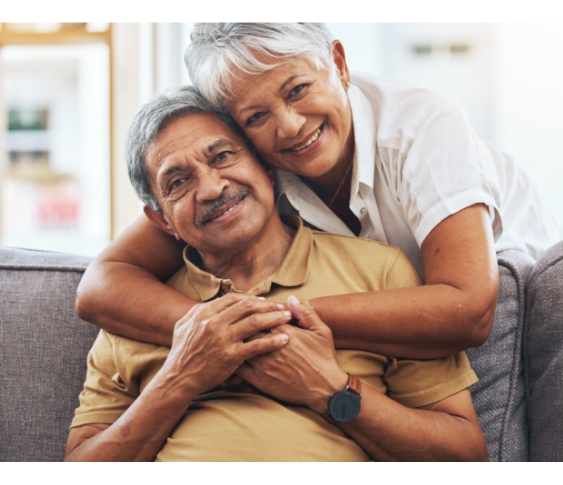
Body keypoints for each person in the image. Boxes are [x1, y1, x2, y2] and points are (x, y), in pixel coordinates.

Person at [76, 23, 558, 363]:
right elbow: (102, 285)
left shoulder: (424, 125)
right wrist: (217, 332)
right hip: (370, 339)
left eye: (298, 89)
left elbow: (470, 310)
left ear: (339, 63)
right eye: (255, 117)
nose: (290, 127)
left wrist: (266, 320)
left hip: (520, 321)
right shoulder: (246, 165)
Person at [63, 87, 487, 461]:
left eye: (223, 156)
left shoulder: (381, 272)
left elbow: (467, 457)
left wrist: (333, 390)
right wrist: (181, 376)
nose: (211, 188)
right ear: (161, 221)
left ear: (267, 168)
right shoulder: (132, 313)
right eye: (178, 181)